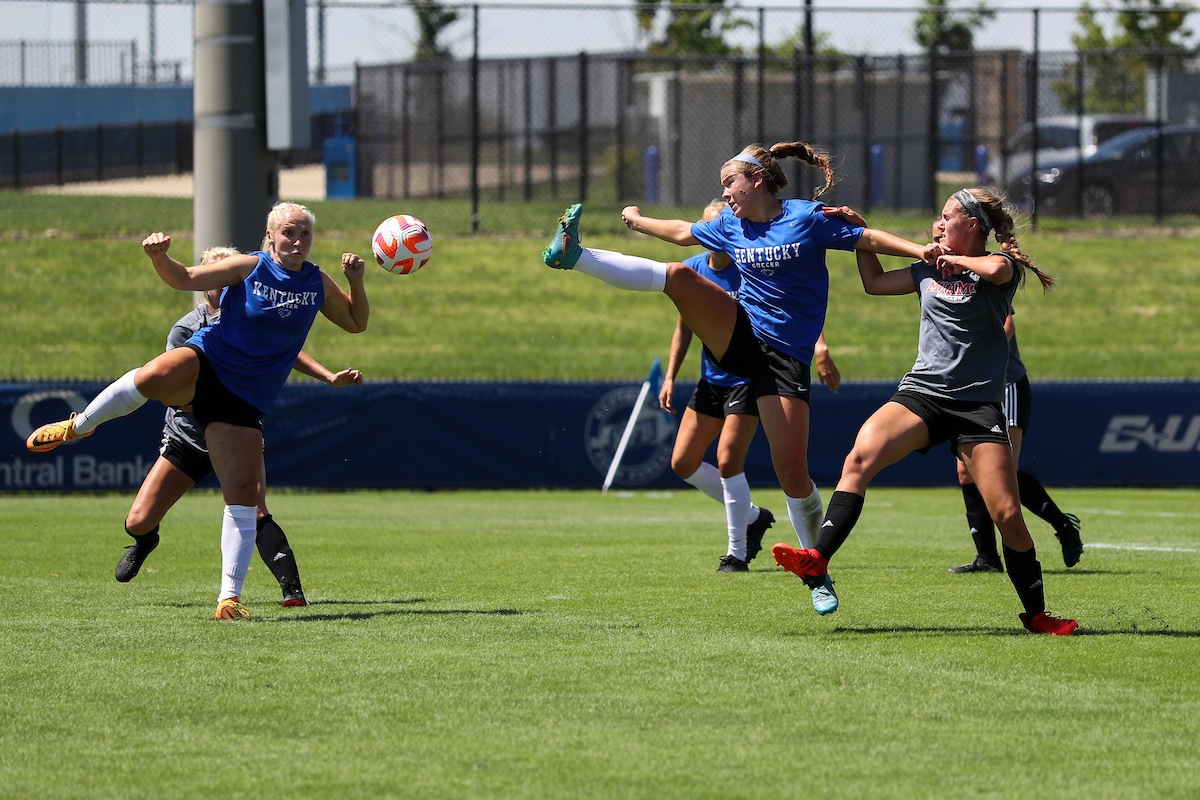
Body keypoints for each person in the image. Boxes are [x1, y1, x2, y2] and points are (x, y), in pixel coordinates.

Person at [543, 141, 933, 614]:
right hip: (740, 333)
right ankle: (574, 255)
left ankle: (817, 571)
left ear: (758, 180)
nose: (725, 192)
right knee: (680, 278)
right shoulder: (730, 225)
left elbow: (868, 241)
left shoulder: (806, 217)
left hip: (784, 358)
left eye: (731, 182)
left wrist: (922, 251)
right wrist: (637, 219)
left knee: (793, 473)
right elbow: (684, 232)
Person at [27, 202, 370, 620]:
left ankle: (229, 598)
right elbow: (183, 277)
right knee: (153, 376)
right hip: (209, 365)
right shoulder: (248, 267)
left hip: (244, 398)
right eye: (288, 233)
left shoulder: (317, 282)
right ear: (269, 236)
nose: (297, 241)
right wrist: (159, 257)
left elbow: (355, 323)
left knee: (245, 498)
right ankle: (78, 426)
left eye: (304, 234)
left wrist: (357, 283)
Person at [771, 188, 1079, 635]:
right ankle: (817, 559)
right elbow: (873, 283)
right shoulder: (926, 269)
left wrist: (960, 263)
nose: (938, 223)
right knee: (860, 457)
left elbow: (994, 267)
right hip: (923, 395)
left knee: (1009, 516)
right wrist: (858, 236)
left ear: (972, 225)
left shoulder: (1000, 267)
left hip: (976, 406)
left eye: (947, 215)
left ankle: (1037, 615)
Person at [116, 246, 365, 608]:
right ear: (205, 283)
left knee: (253, 505)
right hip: (189, 436)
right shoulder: (188, 328)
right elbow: (170, 386)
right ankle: (143, 540)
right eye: (214, 274)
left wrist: (328, 377)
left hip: (235, 424)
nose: (222, 279)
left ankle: (292, 592)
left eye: (228, 271)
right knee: (138, 520)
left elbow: (287, 351)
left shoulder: (257, 313)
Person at [949, 306, 1084, 574]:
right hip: (970, 390)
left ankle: (1064, 526)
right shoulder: (942, 284)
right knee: (966, 470)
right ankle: (987, 557)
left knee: (1004, 471)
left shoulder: (985, 272)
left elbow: (1007, 325)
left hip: (1005, 386)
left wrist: (976, 352)